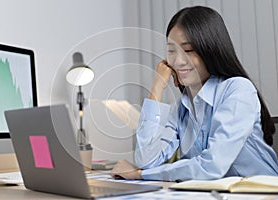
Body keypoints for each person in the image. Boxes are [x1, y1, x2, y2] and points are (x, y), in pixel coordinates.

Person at [110, 6, 278, 181]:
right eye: (172, 51)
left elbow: (212, 166)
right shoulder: (182, 107)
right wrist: (157, 88)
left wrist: (141, 175)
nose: (178, 61)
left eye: (188, 50)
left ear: (210, 49)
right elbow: (146, 160)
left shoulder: (238, 90)